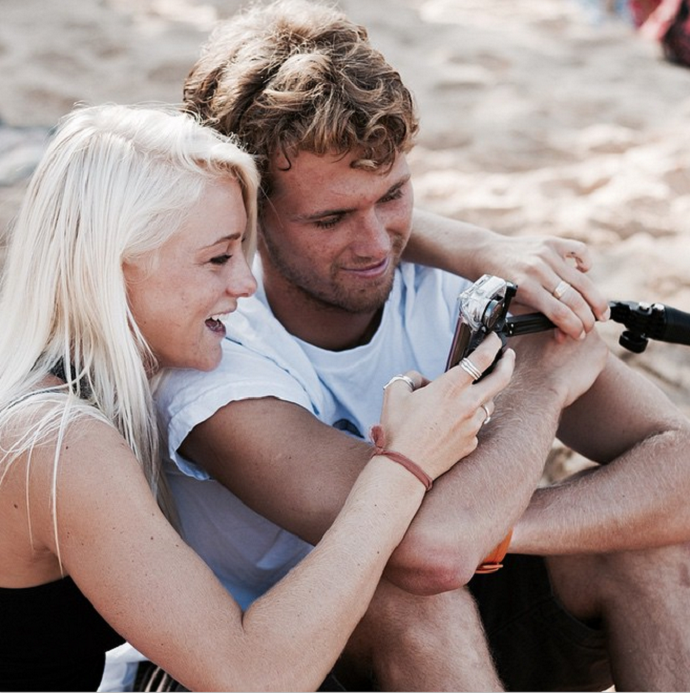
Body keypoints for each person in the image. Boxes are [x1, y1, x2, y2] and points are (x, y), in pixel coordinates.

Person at [153, 1, 690, 690]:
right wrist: (542, 385)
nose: (377, 244)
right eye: (332, 218)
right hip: (291, 659)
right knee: (412, 598)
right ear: (246, 211)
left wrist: (499, 527)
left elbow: (677, 463)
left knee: (640, 542)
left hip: (464, 596)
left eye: (394, 195)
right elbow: (427, 553)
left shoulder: (445, 281)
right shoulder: (212, 353)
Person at [0, 101, 518, 692]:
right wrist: (405, 463)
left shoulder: (66, 380)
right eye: (218, 258)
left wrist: (471, 244)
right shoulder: (58, 441)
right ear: (109, 269)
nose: (245, 284)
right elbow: (254, 679)